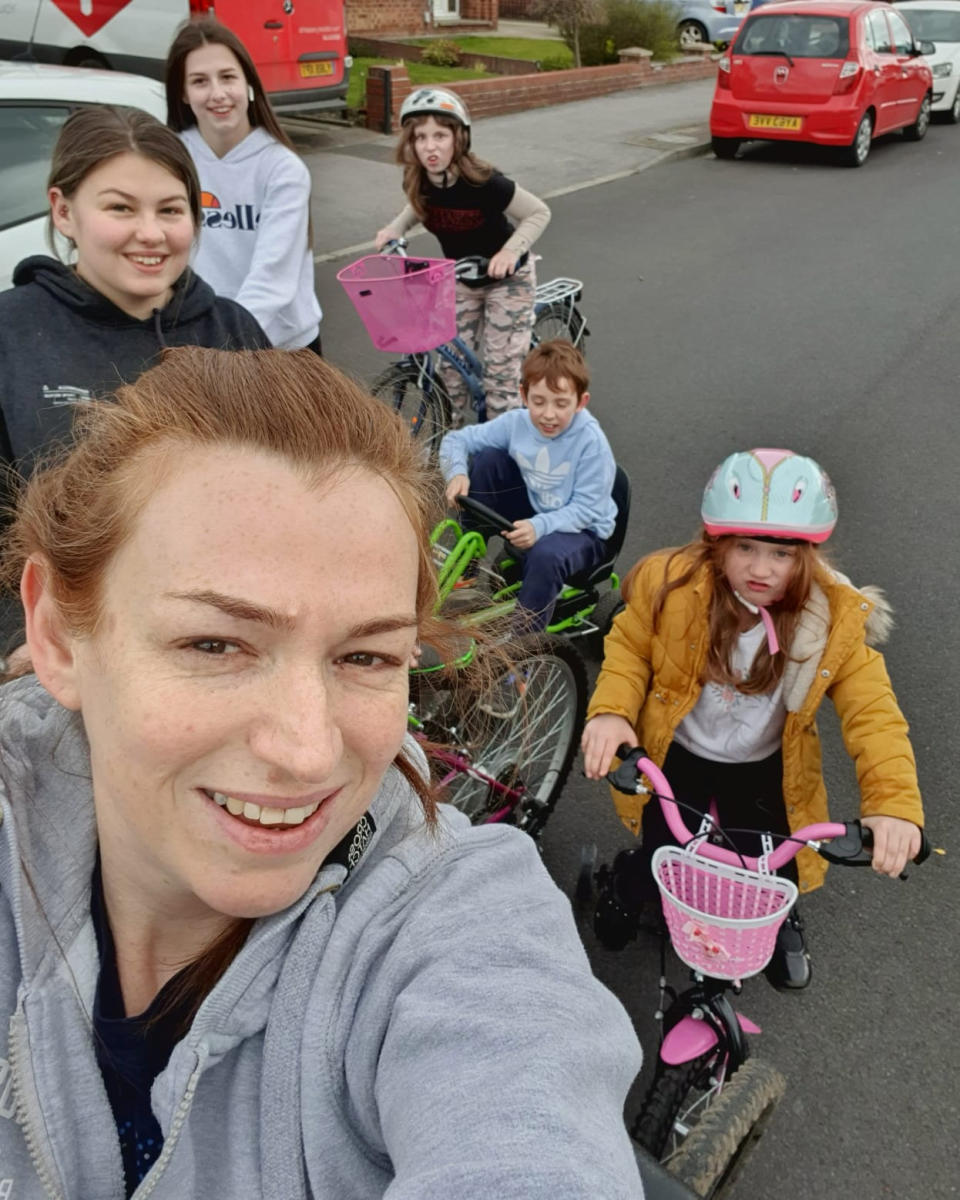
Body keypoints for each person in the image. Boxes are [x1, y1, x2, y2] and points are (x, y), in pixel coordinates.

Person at [0, 346, 645, 1198]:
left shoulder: (460, 924)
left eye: (368, 656)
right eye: (214, 643)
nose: (308, 752)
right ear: (54, 636)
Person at [581, 447, 924, 990]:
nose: (762, 569)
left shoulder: (830, 620)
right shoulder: (671, 586)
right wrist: (611, 713)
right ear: (716, 543)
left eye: (782, 554)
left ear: (807, 555)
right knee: (664, 853)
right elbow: (628, 647)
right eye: (745, 548)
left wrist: (893, 806)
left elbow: (874, 712)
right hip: (679, 754)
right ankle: (628, 888)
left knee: (771, 862)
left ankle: (779, 913)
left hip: (763, 765)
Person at [0, 104, 268, 476]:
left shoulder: (234, 330)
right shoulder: (11, 332)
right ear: (63, 212)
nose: (151, 234)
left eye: (170, 210)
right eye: (121, 207)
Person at [375, 87, 551, 420]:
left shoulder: (483, 182)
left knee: (499, 375)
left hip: (507, 280)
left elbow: (538, 212)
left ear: (459, 138)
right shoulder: (418, 179)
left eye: (440, 135)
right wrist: (395, 228)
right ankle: (448, 439)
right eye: (420, 137)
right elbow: (419, 207)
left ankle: (500, 453)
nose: (430, 146)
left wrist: (510, 252)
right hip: (462, 278)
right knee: (450, 369)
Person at [439, 339, 616, 639]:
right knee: (487, 461)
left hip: (584, 530)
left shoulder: (591, 443)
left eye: (561, 404)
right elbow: (457, 440)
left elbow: (588, 510)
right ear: (524, 395)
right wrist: (456, 473)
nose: (548, 414)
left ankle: (523, 642)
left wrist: (539, 526)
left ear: (581, 402)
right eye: (539, 401)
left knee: (545, 555)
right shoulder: (516, 423)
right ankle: (465, 571)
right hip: (538, 506)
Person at [165, 17, 322, 352]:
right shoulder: (170, 158)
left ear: (248, 82)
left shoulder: (282, 168)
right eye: (200, 81)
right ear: (183, 92)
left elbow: (272, 280)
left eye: (227, 77)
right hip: (201, 346)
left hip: (282, 351)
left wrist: (219, 343)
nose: (217, 94)